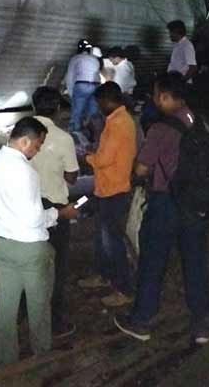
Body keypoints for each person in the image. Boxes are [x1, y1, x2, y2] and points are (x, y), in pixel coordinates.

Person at [114, 72, 209, 345]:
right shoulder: (199, 121)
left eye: (157, 94)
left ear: (165, 96)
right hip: (196, 203)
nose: (155, 99)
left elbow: (142, 168)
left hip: (167, 203)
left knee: (152, 263)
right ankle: (202, 324)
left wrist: (137, 174)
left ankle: (141, 321)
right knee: (195, 262)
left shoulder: (161, 129)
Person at [0, 117, 79, 367]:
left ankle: (7, 359)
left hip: (1, 244)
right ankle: (41, 355)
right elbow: (34, 218)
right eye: (37, 145)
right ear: (25, 141)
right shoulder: (26, 172)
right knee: (39, 304)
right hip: (29, 248)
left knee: (7, 305)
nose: (37, 151)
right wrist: (60, 214)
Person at [78, 81, 137, 307]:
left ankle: (124, 288)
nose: (98, 107)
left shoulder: (118, 124)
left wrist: (87, 158)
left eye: (99, 103)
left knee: (113, 241)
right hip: (108, 187)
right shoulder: (119, 120)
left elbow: (104, 160)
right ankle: (102, 275)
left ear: (108, 101)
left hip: (114, 190)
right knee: (102, 238)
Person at [29, 87, 81, 339]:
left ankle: (26, 314)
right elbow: (72, 177)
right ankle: (55, 323)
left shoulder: (20, 134)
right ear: (58, 108)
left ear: (33, 107)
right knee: (57, 267)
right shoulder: (63, 138)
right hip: (56, 209)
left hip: (26, 208)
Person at [63, 39, 102, 132]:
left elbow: (70, 76)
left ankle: (75, 134)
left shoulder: (75, 58)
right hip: (95, 85)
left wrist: (71, 93)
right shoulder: (95, 59)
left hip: (81, 85)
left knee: (77, 113)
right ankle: (93, 134)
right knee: (92, 113)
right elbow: (98, 75)